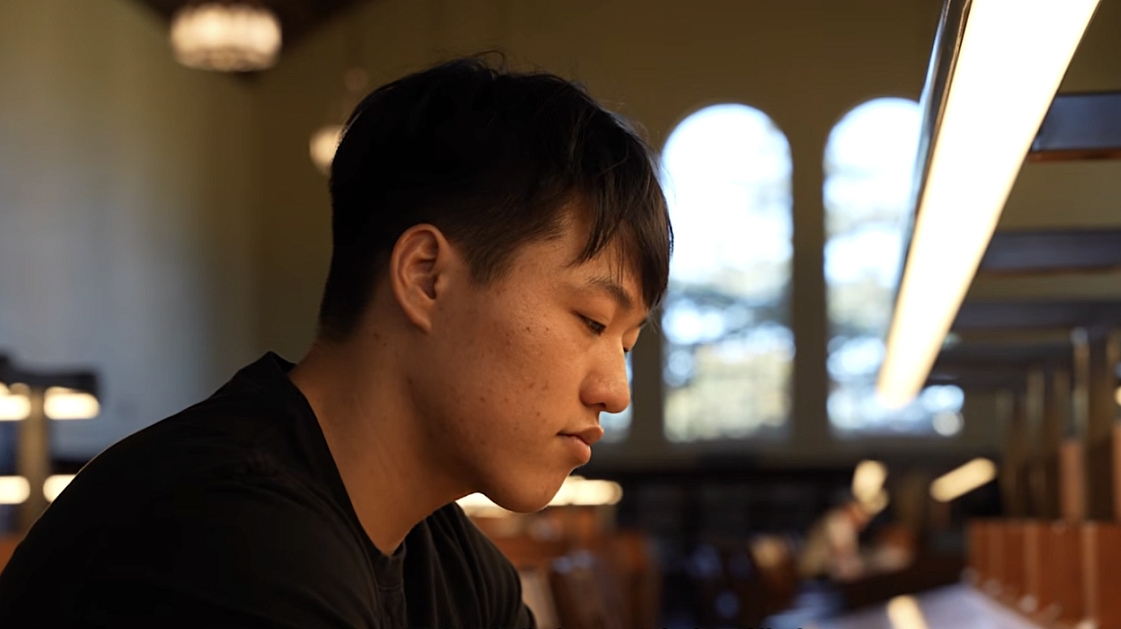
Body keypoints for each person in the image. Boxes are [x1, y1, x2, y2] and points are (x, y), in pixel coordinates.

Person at [0, 56, 672, 628]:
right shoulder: (226, 538)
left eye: (628, 343)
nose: (614, 391)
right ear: (427, 277)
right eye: (590, 320)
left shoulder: (459, 570)